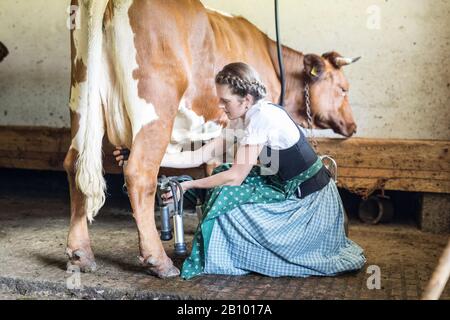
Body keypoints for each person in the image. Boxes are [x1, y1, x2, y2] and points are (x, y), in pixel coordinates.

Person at [114, 62, 366, 280]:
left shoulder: (262, 118)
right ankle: (228, 248)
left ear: (245, 99)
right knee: (221, 173)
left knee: (226, 195)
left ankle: (234, 254)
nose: (221, 106)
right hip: (285, 185)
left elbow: (236, 177)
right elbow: (201, 154)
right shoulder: (242, 117)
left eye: (225, 101)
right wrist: (146, 158)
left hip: (309, 203)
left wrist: (188, 186)